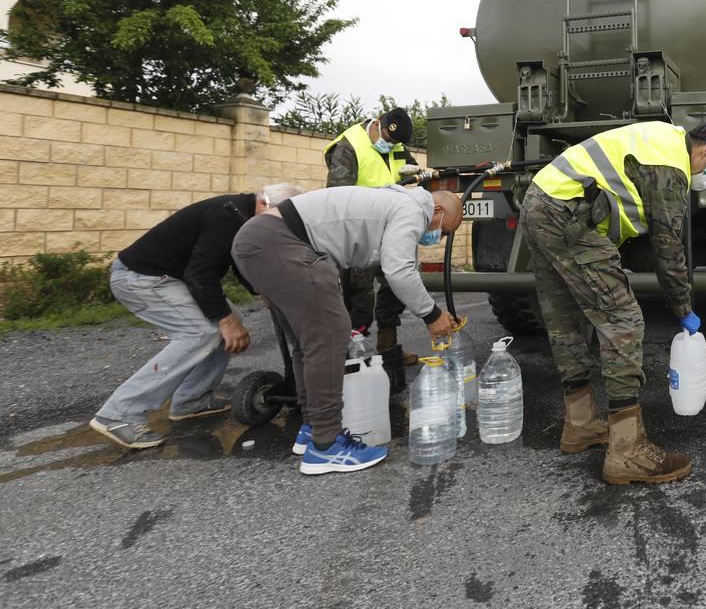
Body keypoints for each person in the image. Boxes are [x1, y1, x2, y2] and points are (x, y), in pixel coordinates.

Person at [521, 117, 706, 484]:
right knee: (623, 320)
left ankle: (581, 425)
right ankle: (627, 452)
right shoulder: (671, 164)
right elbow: (668, 251)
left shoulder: (659, 138)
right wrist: (683, 309)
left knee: (566, 319)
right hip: (569, 212)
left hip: (539, 201)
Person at [231, 185, 463, 475]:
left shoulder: (396, 201)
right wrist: (432, 315)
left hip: (261, 241)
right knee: (329, 336)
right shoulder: (414, 209)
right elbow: (399, 270)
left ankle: (313, 428)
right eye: (444, 231)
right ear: (437, 211)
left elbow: (404, 265)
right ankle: (326, 446)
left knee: (310, 341)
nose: (439, 237)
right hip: (279, 242)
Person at [89, 183, 303, 449]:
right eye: (279, 219)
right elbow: (200, 274)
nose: (278, 228)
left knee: (229, 317)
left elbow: (238, 262)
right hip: (141, 279)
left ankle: (192, 400)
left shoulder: (242, 215)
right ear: (265, 204)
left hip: (171, 278)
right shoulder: (227, 216)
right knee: (204, 331)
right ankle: (119, 414)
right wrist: (225, 322)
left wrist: (264, 292)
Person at [323, 106, 420, 359]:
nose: (390, 144)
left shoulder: (398, 145)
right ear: (378, 124)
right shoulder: (348, 147)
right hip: (359, 231)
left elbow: (414, 172)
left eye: (395, 142)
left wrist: (415, 176)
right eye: (388, 138)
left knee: (397, 285)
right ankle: (356, 352)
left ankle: (388, 349)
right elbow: (338, 195)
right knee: (359, 294)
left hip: (390, 229)